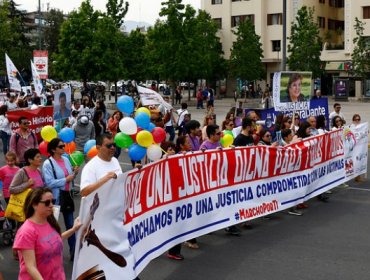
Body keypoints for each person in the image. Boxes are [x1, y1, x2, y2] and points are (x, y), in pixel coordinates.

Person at [13, 187, 81, 279]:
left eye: (53, 201)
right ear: (34, 204)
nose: (51, 205)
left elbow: (54, 240)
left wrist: (73, 229)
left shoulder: (49, 221)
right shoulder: (26, 232)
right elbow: (30, 266)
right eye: (47, 202)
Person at [42, 138, 78, 261]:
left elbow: (69, 177)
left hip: (67, 196)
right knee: (52, 228)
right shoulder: (48, 164)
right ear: (53, 149)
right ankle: (52, 253)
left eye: (63, 146)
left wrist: (74, 174)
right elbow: (49, 183)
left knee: (71, 225)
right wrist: (66, 180)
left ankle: (74, 252)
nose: (63, 148)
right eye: (61, 146)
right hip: (55, 199)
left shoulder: (66, 160)